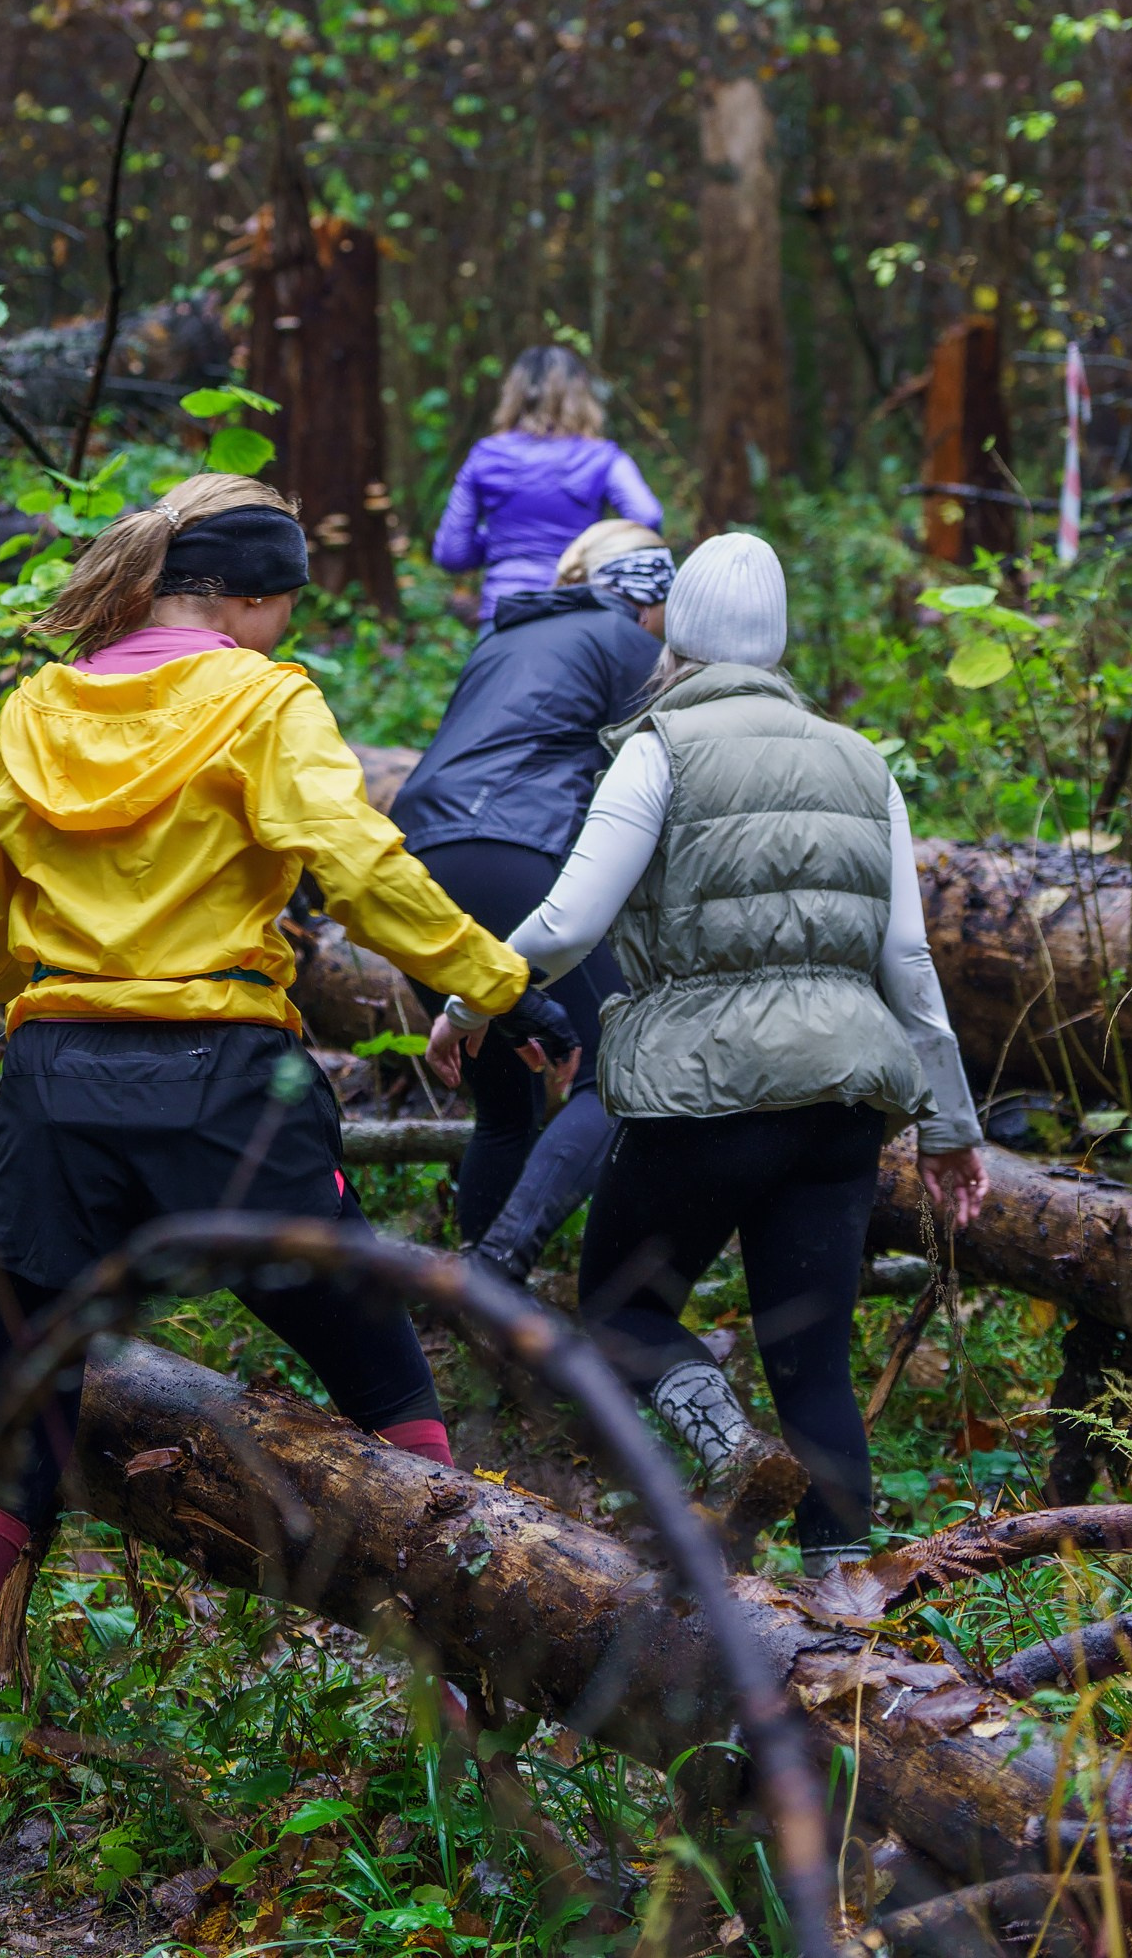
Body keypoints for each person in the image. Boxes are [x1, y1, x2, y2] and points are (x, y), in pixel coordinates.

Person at [0, 472, 572, 1903]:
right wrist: (500, 988)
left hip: (56, 1102)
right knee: (392, 1399)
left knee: (9, 1452)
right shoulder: (265, 698)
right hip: (232, 1091)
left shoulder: (38, 709)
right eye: (282, 598)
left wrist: (52, 988)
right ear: (241, 594)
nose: (284, 624)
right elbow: (359, 863)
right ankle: (482, 1787)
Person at [427, 530, 988, 1580]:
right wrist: (951, 1128)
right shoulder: (861, 761)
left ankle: (730, 1448)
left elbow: (564, 924)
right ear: (778, 639)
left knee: (623, 1308)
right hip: (840, 1098)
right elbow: (906, 960)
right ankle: (847, 1617)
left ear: (676, 631)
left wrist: (467, 1003)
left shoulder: (656, 747)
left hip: (702, 1090)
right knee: (813, 1363)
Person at [391, 520, 673, 1277]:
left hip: (414, 860)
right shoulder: (631, 644)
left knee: (508, 1099)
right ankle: (500, 1268)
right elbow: (667, 781)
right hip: (510, 850)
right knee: (614, 1073)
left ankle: (477, 1313)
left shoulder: (506, 639)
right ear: (649, 594)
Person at [431, 344, 662, 624]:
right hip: (578, 613)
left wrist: (504, 542)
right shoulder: (601, 456)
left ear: (513, 395)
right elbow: (647, 516)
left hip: (503, 614)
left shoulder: (486, 455)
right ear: (580, 395)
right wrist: (597, 555)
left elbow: (451, 553)